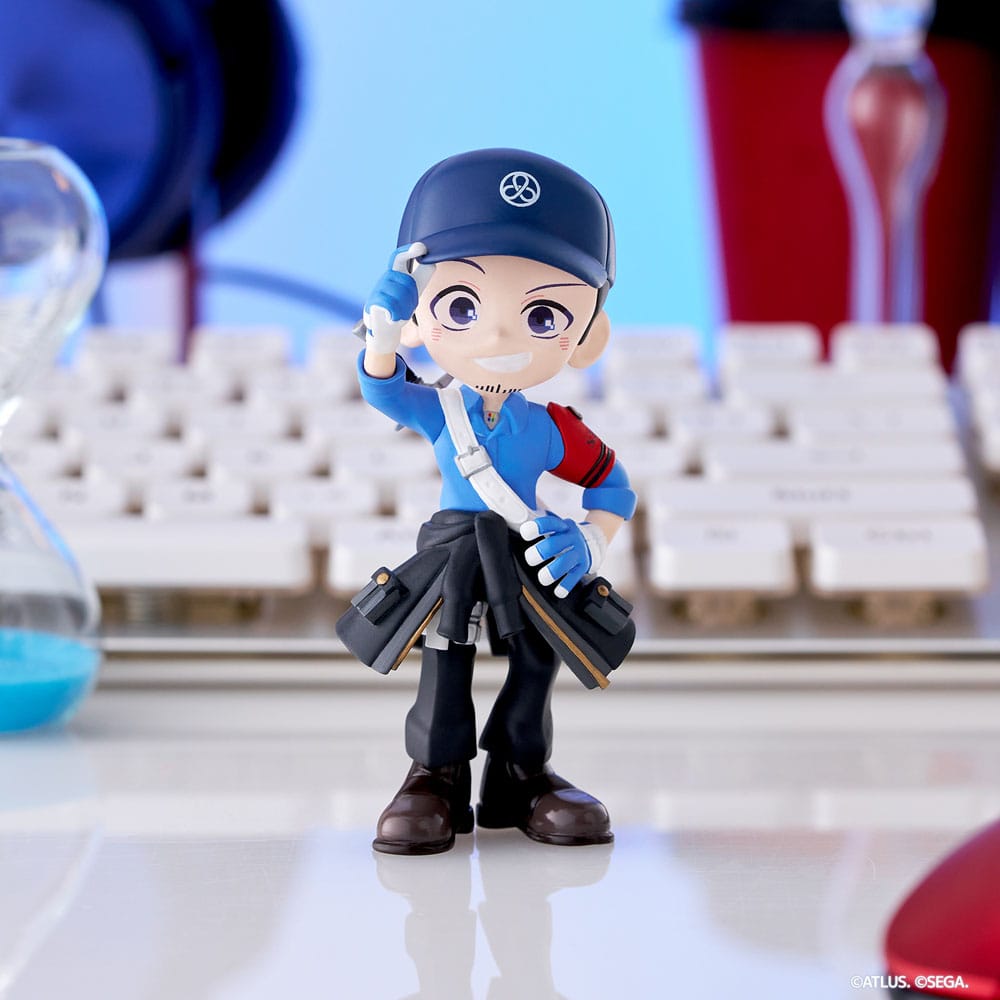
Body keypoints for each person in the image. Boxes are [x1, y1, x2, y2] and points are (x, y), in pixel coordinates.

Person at [337, 148, 636, 855]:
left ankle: (519, 772)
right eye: (462, 307)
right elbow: (382, 389)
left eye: (544, 314)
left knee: (538, 656)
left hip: (527, 551)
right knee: (447, 656)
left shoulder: (552, 428)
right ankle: (434, 774)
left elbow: (614, 487)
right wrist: (380, 336)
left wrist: (588, 541)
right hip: (453, 552)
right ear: (419, 316)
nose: (498, 336)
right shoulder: (442, 409)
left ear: (587, 336)